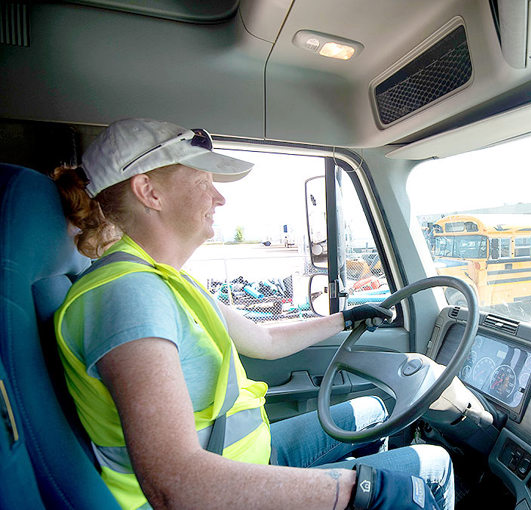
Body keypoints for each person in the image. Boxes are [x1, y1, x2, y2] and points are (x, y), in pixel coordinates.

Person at [51, 118, 454, 510]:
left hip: (246, 456)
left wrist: (345, 318)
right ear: (149, 192)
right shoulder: (128, 296)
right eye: (203, 182)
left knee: (374, 410)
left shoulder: (167, 280)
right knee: (431, 467)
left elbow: (265, 340)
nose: (219, 198)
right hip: (216, 489)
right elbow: (175, 487)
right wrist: (356, 491)